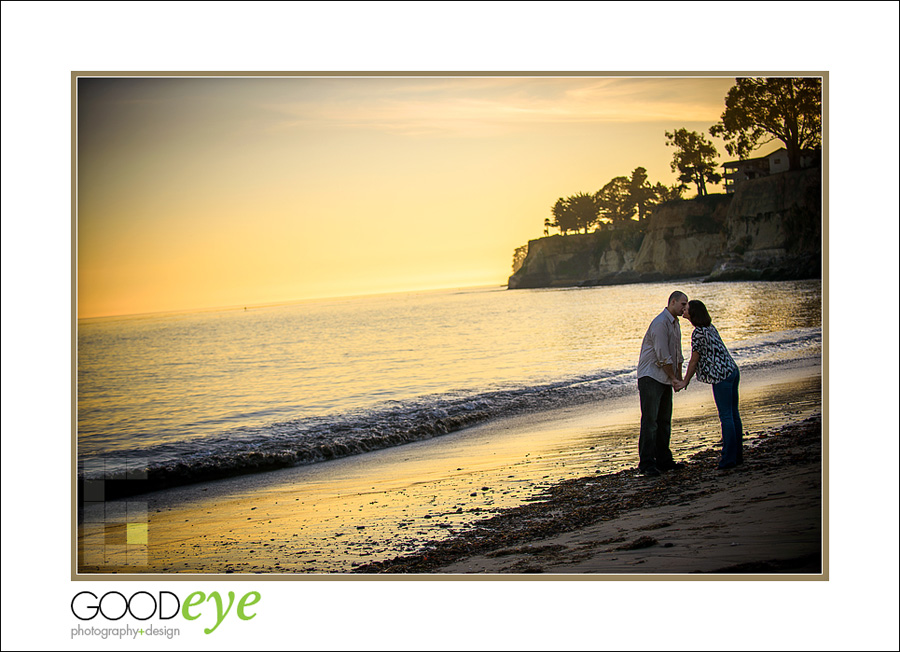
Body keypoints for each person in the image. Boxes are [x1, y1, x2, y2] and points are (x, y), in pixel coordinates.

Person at [674, 300, 743, 470]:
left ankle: (728, 459)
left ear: (693, 313)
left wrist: (685, 381)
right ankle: (737, 455)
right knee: (733, 415)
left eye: (687, 308)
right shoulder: (709, 327)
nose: (684, 310)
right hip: (732, 370)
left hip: (722, 376)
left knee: (726, 416)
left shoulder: (698, 333)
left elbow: (694, 360)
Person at [636, 291, 688, 477]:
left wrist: (679, 379)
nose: (685, 308)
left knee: (664, 420)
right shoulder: (660, 323)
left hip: (665, 376)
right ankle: (646, 464)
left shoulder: (675, 324)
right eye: (682, 304)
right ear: (672, 302)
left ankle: (664, 460)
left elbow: (678, 355)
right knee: (650, 422)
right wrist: (674, 378)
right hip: (651, 377)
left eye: (686, 305)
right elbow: (662, 356)